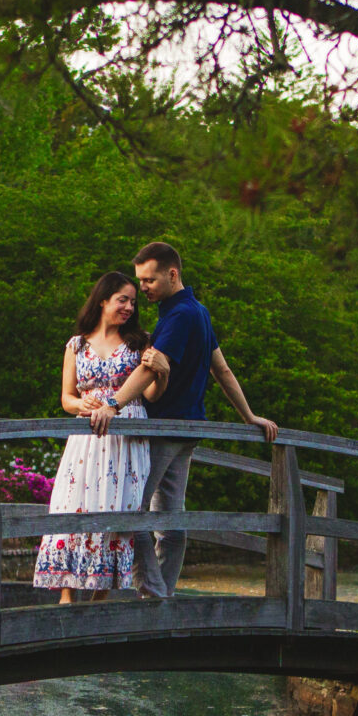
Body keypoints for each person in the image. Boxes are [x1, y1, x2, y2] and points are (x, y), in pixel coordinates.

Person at [126, 243, 278, 599]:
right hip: (188, 430)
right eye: (140, 280)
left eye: (149, 279)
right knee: (171, 517)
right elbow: (221, 368)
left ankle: (152, 592)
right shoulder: (199, 311)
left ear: (172, 274)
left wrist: (112, 404)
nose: (143, 287)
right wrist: (249, 415)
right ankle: (163, 594)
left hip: (164, 429)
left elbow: (150, 370)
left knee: (133, 515)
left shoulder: (179, 317)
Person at [33, 271, 172, 602]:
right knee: (72, 505)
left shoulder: (140, 342)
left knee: (117, 507)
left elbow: (152, 395)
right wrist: (83, 403)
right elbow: (66, 398)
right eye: (122, 300)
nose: (128, 307)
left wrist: (163, 374)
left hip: (127, 437)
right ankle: (66, 595)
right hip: (87, 438)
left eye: (133, 302)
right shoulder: (77, 344)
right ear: (102, 300)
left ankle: (100, 598)